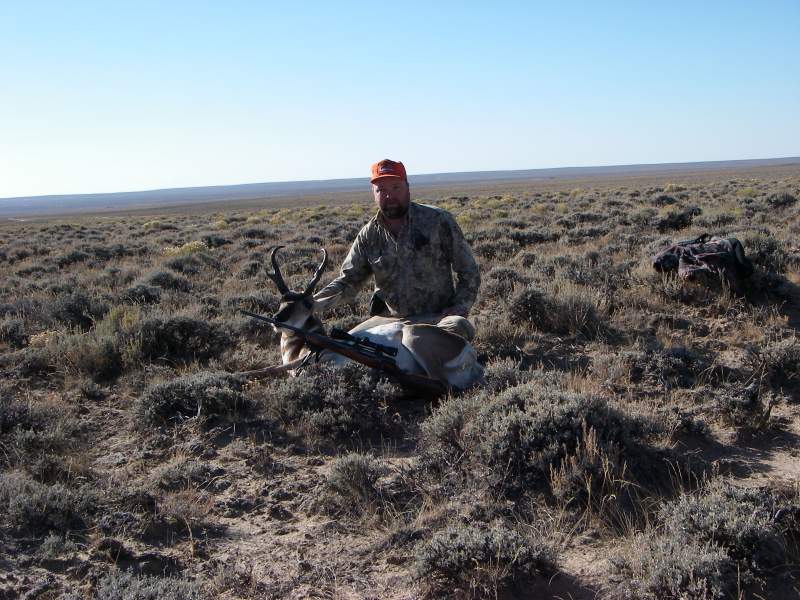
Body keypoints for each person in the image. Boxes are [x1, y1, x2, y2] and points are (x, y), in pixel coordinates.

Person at [313, 158, 480, 341]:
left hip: (437, 319)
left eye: (395, 188)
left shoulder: (438, 221)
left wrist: (460, 306)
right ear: (373, 194)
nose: (388, 196)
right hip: (391, 323)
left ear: (407, 188)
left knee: (455, 329)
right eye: (381, 190)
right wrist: (312, 303)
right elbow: (348, 282)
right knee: (348, 343)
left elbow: (469, 271)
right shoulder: (368, 235)